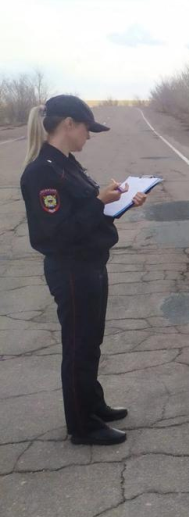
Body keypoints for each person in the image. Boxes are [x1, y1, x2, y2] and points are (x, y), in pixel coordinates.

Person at [20, 95, 148, 446]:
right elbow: (56, 233)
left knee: (90, 341)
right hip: (72, 269)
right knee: (78, 345)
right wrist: (98, 201)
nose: (89, 136)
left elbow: (87, 213)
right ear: (69, 124)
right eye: (87, 129)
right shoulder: (42, 172)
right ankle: (82, 426)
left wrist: (119, 200)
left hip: (90, 264)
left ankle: (92, 404)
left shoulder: (66, 164)